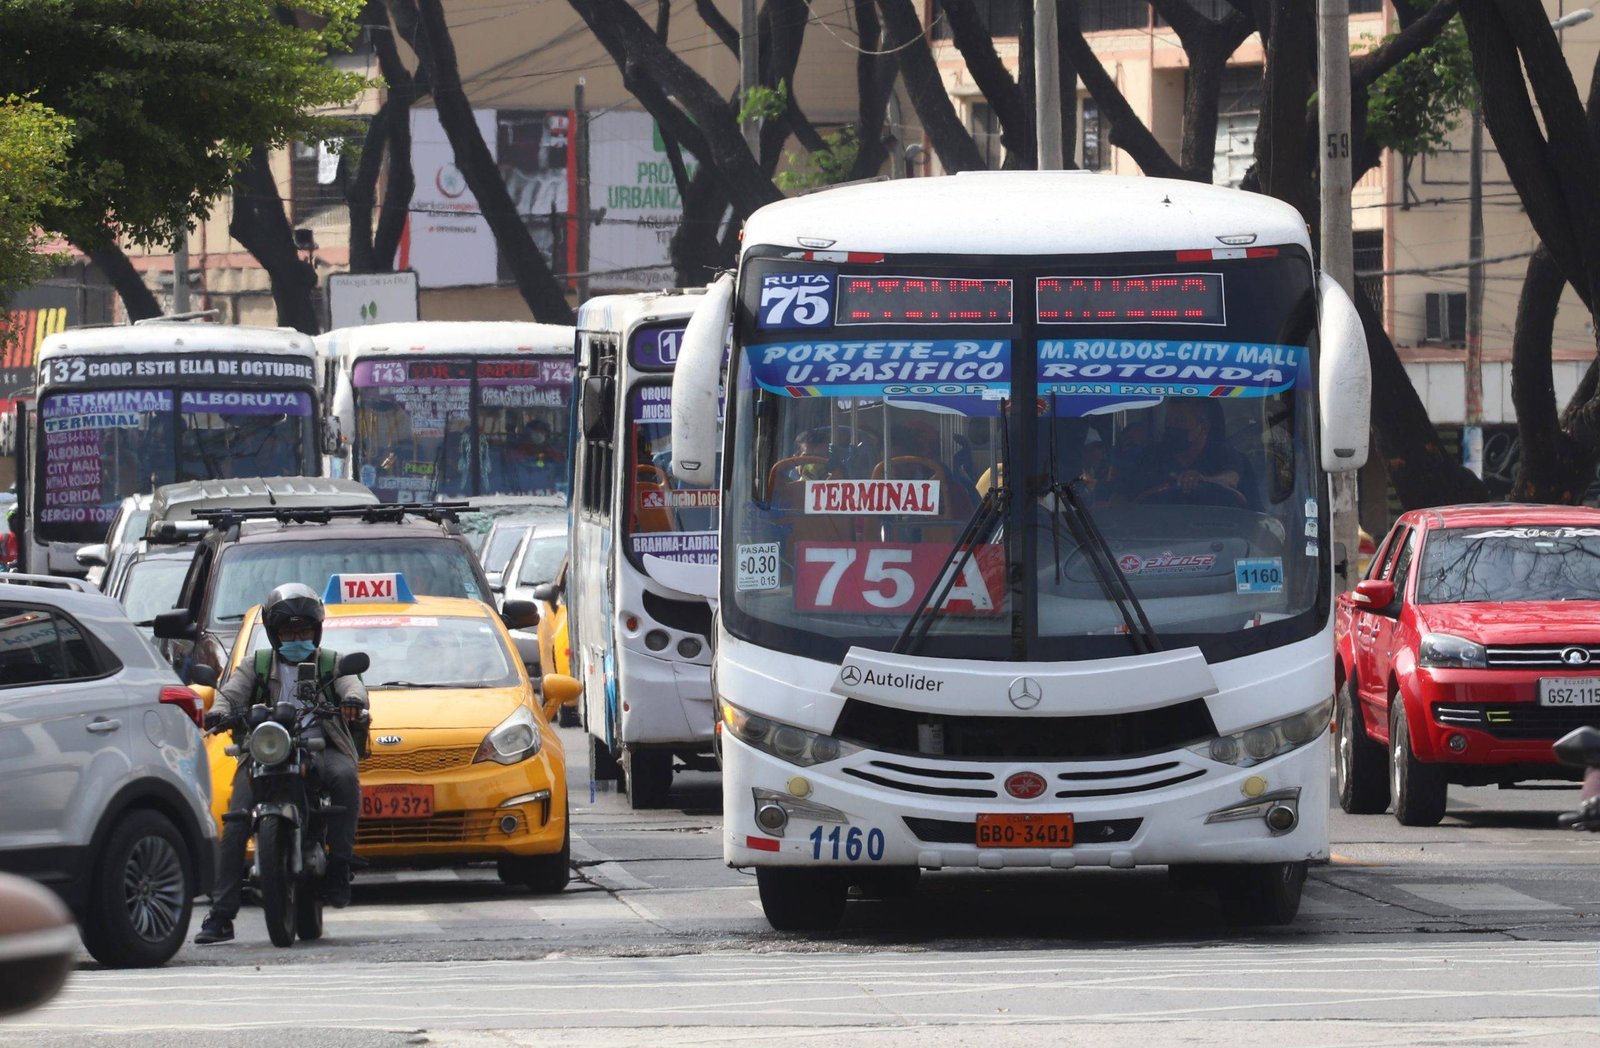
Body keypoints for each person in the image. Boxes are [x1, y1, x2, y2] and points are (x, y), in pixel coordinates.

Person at [192, 584, 368, 945]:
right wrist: (218, 714)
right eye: (288, 632)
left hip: (321, 746)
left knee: (345, 776)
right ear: (275, 634)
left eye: (303, 631)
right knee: (237, 816)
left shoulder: (331, 663)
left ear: (316, 631)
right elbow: (230, 695)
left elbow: (354, 685)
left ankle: (340, 866)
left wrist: (351, 700)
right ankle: (221, 915)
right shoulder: (254, 665)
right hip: (266, 749)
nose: (296, 638)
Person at [1112, 399, 1258, 507]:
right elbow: (1123, 494)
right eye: (1168, 421)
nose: (1171, 426)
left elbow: (1231, 479)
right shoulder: (1150, 457)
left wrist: (1202, 479)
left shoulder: (1225, 454)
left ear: (1204, 427)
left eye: (1180, 420)